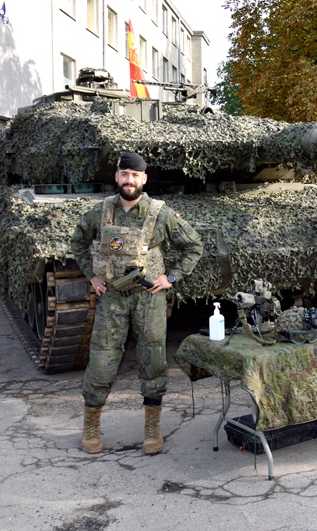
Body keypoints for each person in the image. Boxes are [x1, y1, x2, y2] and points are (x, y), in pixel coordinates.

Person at [70, 152, 203, 455]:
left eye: (135, 175)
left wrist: (171, 277)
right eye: (124, 174)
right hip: (112, 299)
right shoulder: (100, 211)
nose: (129, 180)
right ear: (117, 177)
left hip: (149, 299)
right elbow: (78, 242)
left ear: (144, 179)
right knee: (101, 362)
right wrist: (92, 276)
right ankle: (91, 426)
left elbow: (193, 246)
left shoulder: (160, 213)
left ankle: (152, 428)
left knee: (153, 362)